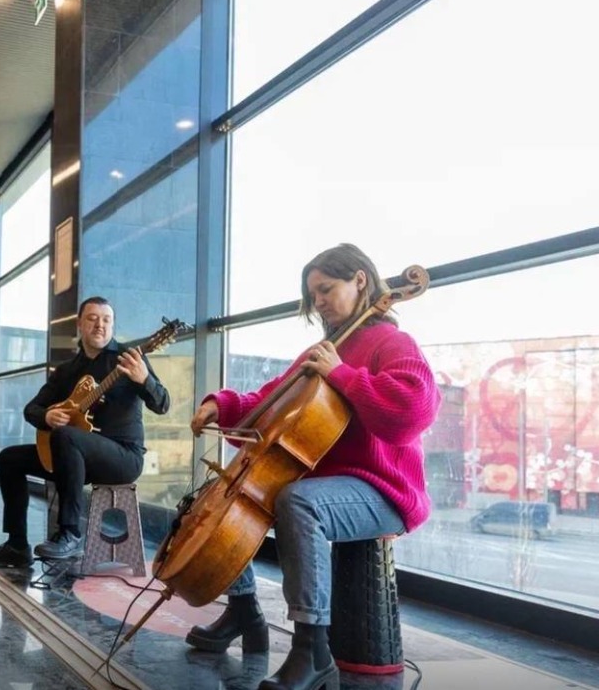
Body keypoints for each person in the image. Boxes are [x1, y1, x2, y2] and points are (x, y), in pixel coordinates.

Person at [185, 244, 440, 690]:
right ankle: (244, 610)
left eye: (326, 289)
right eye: (313, 294)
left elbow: (412, 412)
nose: (318, 302)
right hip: (330, 487)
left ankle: (312, 649)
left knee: (299, 501)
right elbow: (269, 402)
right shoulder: (323, 350)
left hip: (383, 490)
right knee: (221, 503)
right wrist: (220, 404)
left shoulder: (392, 343)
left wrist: (342, 375)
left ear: (360, 280)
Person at [0, 296, 171, 567]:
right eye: (92, 319)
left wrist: (144, 379)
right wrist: (47, 415)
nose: (100, 325)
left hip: (122, 457)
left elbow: (163, 404)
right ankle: (17, 546)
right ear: (80, 324)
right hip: (73, 459)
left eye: (106, 320)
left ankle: (69, 532)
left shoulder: (129, 360)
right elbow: (31, 409)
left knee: (66, 436)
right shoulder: (67, 371)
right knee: (10, 458)